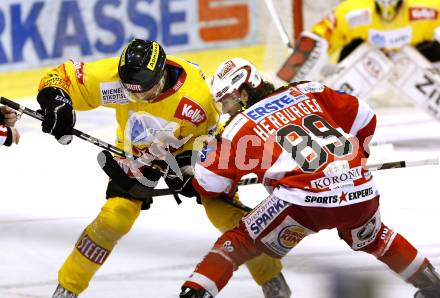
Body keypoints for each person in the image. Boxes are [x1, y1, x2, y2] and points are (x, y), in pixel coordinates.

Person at [36, 39, 290, 298]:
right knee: (114, 218)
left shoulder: (198, 100)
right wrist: (57, 101)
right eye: (129, 92)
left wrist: (193, 167)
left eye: (143, 93)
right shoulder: (115, 77)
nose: (135, 98)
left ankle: (271, 278)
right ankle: (67, 288)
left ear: (161, 76)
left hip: (187, 149)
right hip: (135, 152)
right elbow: (59, 77)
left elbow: (215, 144)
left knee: (225, 213)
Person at [179, 58, 440, 298]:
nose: (225, 111)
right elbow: (365, 115)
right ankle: (431, 284)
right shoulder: (308, 90)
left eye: (226, 102)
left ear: (243, 93)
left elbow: (211, 184)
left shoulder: (238, 127)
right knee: (374, 237)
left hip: (304, 202)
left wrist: (201, 165)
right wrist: (356, 159)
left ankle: (194, 292)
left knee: (241, 241)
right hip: (361, 188)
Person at [277, 0, 440, 83]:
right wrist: (312, 62)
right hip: (366, 61)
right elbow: (323, 34)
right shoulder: (353, 11)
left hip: (418, 59)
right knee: (341, 77)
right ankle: (337, 112)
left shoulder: (427, 8)